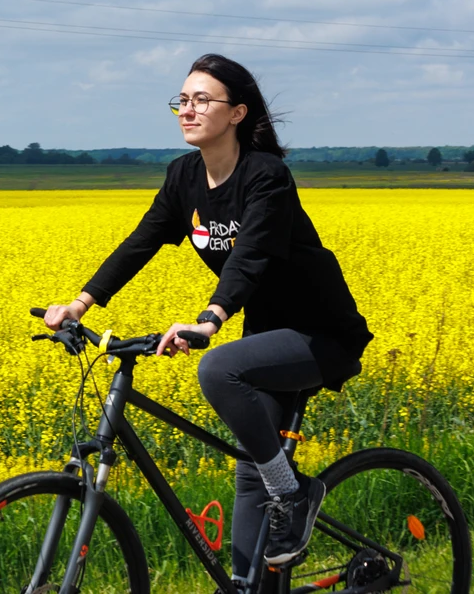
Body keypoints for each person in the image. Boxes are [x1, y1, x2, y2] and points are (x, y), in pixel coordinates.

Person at [42, 53, 372, 585]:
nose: (187, 109)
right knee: (249, 474)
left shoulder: (266, 177)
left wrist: (209, 320)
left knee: (217, 370)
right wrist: (79, 305)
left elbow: (252, 255)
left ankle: (296, 494)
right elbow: (142, 241)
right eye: (183, 99)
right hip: (267, 333)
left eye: (202, 99)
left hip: (320, 332)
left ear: (237, 113)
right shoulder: (185, 176)